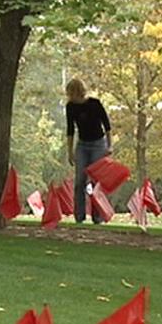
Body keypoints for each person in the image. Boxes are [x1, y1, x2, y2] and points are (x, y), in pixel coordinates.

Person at [65, 78, 113, 224]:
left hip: (98, 144)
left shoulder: (94, 104)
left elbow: (107, 125)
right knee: (80, 180)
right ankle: (79, 216)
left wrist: (109, 146)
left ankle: (97, 216)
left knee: (96, 181)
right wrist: (70, 152)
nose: (70, 97)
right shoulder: (70, 107)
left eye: (71, 93)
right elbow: (70, 130)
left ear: (78, 92)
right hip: (82, 145)